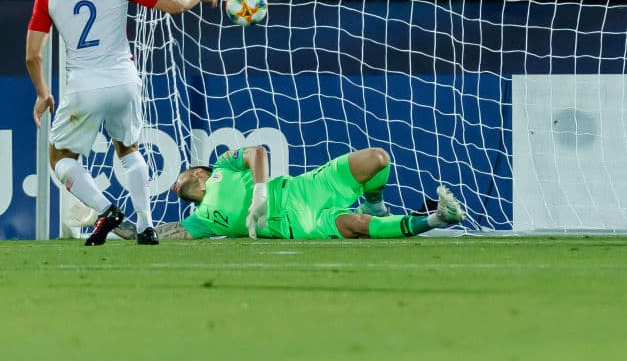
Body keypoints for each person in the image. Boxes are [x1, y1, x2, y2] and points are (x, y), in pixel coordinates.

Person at [26, 0, 218, 245]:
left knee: (60, 158)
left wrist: (43, 92)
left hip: (84, 85)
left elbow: (32, 55)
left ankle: (105, 209)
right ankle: (146, 226)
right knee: (128, 149)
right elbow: (172, 5)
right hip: (124, 80)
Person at [118, 145, 466, 240]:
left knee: (377, 159)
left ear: (198, 172)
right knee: (358, 226)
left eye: (179, 178)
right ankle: (437, 217)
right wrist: (106, 222)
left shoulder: (223, 166)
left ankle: (377, 205)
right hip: (300, 223)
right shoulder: (201, 222)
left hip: (307, 186)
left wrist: (259, 194)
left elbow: (258, 153)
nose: (175, 184)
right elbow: (155, 236)